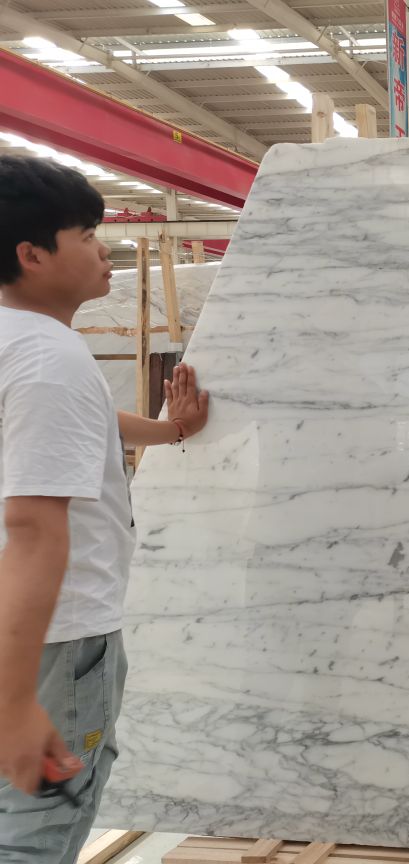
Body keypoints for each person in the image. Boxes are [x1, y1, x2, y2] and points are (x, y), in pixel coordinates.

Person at [0, 155, 210, 863]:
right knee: (37, 829)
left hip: (19, 629)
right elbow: (33, 529)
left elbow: (81, 422)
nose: (104, 251)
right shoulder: (50, 359)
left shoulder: (18, 345)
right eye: (87, 235)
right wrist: (16, 702)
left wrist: (170, 430)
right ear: (32, 255)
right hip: (55, 636)